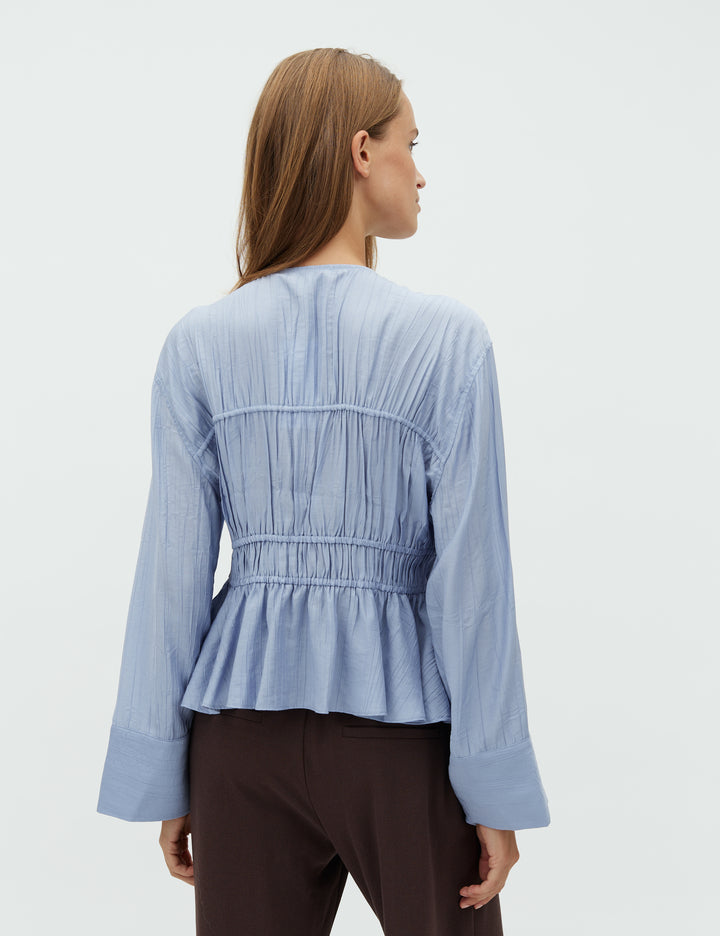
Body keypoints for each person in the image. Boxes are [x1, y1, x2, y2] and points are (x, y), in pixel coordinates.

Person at [97, 47, 550, 935]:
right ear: (360, 151)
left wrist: (166, 770)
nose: (421, 173)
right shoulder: (447, 342)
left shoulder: (199, 343)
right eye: (411, 144)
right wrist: (491, 785)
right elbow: (474, 585)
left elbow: (170, 575)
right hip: (399, 735)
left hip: (237, 742)